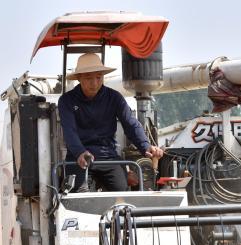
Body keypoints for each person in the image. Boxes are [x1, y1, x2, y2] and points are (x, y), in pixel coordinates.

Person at [58, 53, 163, 191]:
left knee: (122, 192)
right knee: (76, 194)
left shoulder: (115, 98)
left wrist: (145, 146)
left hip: (108, 156)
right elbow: (69, 131)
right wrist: (80, 152)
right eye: (88, 78)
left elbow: (131, 124)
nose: (94, 83)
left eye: (98, 77)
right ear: (79, 78)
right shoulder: (66, 100)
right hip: (78, 157)